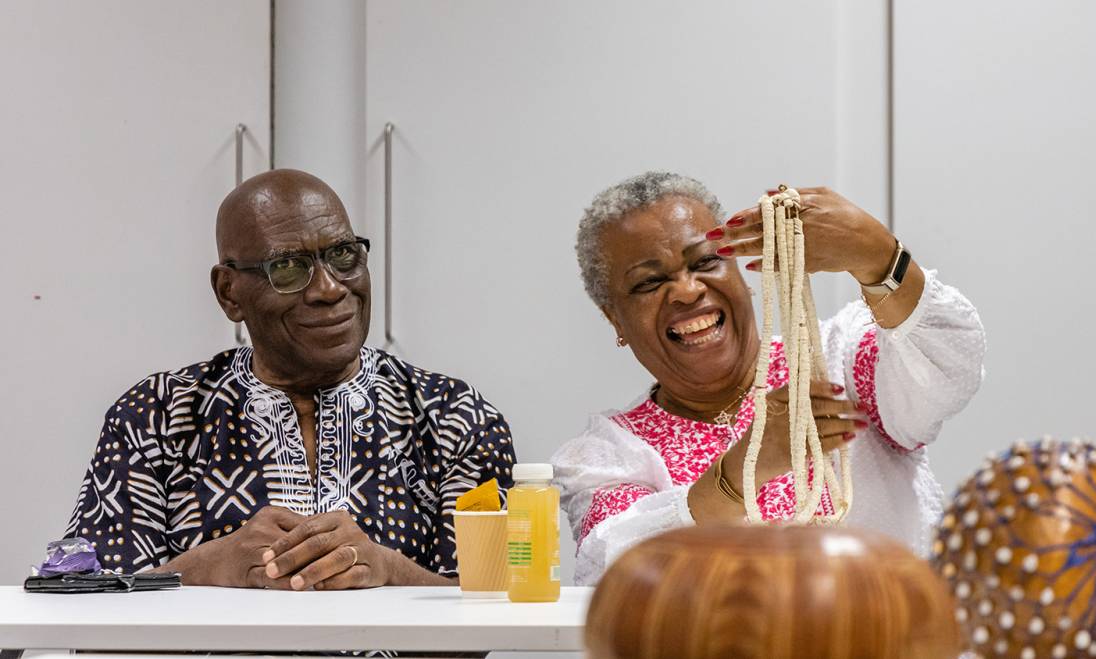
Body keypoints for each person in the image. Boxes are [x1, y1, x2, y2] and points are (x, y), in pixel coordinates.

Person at [65, 169, 515, 590]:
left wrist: (392, 572)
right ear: (229, 292)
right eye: (288, 268)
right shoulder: (157, 415)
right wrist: (204, 568)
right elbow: (93, 625)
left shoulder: (453, 418)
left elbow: (495, 610)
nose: (329, 288)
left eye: (343, 255)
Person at [552, 171, 986, 585]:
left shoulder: (837, 360)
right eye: (649, 283)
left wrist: (878, 256)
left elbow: (950, 367)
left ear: (739, 272)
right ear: (615, 320)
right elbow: (616, 573)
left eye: (706, 261)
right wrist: (742, 472)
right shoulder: (606, 457)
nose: (686, 290)